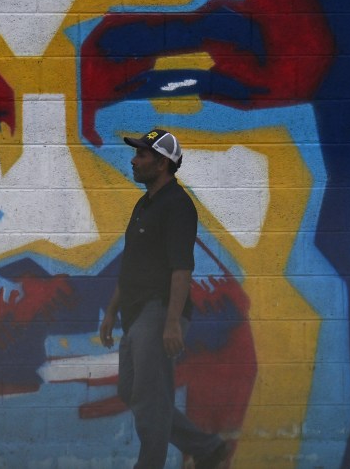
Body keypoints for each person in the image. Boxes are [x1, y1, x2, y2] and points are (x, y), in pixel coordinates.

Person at [99, 129, 230, 469]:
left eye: (142, 155)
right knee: (134, 392)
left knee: (149, 400)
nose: (134, 159)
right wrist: (111, 311)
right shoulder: (145, 205)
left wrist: (172, 321)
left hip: (158, 312)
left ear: (162, 163)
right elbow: (131, 263)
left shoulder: (178, 206)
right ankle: (209, 449)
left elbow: (182, 268)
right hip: (135, 311)